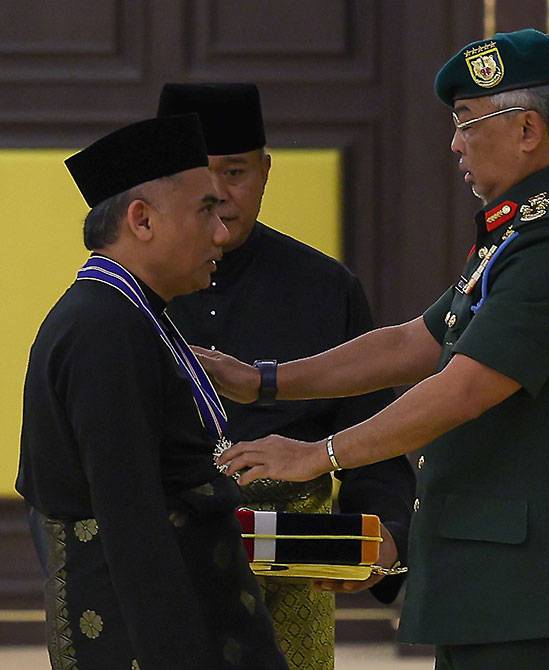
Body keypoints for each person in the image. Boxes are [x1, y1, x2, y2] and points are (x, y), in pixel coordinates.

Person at [205, 29, 549, 670]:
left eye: (467, 121)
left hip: (530, 578)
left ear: (527, 129)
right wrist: (266, 382)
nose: (455, 143)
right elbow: (416, 341)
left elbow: (464, 386)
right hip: (492, 567)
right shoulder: (516, 233)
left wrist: (319, 454)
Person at [158, 82, 416, 670]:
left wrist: (388, 536)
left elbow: (373, 435)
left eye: (236, 173)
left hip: (291, 578)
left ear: (266, 172)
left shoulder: (325, 290)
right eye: (199, 177)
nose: (219, 196)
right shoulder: (126, 296)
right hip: (163, 571)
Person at [16, 114, 287, 669]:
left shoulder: (130, 314)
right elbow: (132, 521)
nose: (222, 233)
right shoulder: (103, 329)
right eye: (205, 210)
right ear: (141, 220)